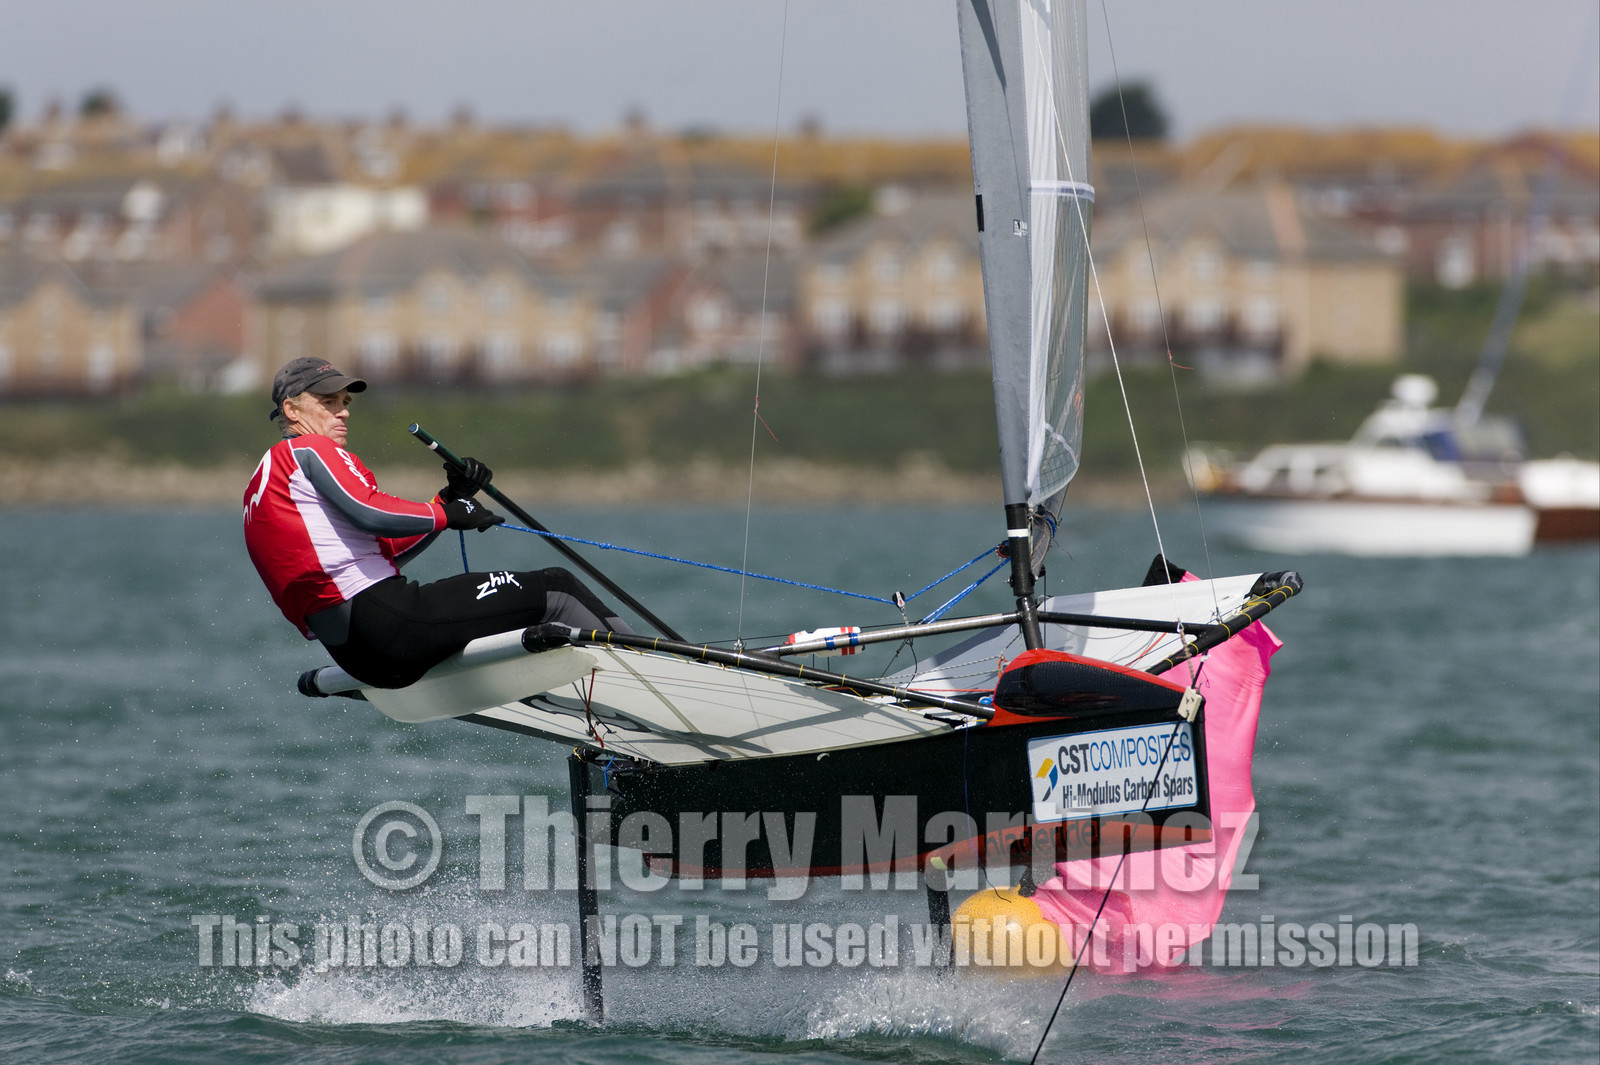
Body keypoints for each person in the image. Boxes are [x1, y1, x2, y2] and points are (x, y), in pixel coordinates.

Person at [243, 357, 633, 689]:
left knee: (521, 608)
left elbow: (385, 547)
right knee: (557, 589)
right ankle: (662, 677)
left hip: (357, 653)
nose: (343, 411)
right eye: (328, 402)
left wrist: (446, 502)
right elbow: (370, 511)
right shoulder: (310, 449)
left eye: (344, 402)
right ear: (292, 410)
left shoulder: (263, 482)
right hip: (387, 621)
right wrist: (450, 514)